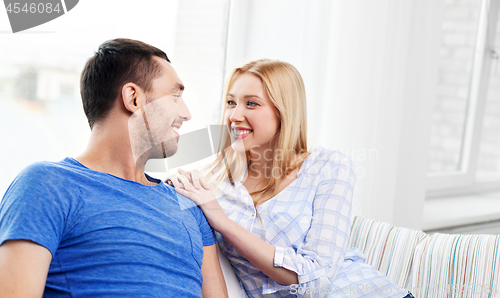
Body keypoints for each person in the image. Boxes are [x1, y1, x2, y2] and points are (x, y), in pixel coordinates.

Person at [0, 38, 228, 298]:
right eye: (175, 96)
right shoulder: (47, 184)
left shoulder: (188, 206)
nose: (186, 113)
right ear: (133, 98)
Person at [170, 59, 414, 298]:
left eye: (252, 104)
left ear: (284, 111)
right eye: (231, 102)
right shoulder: (212, 184)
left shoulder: (329, 167)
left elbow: (316, 281)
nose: (234, 115)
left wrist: (223, 222)